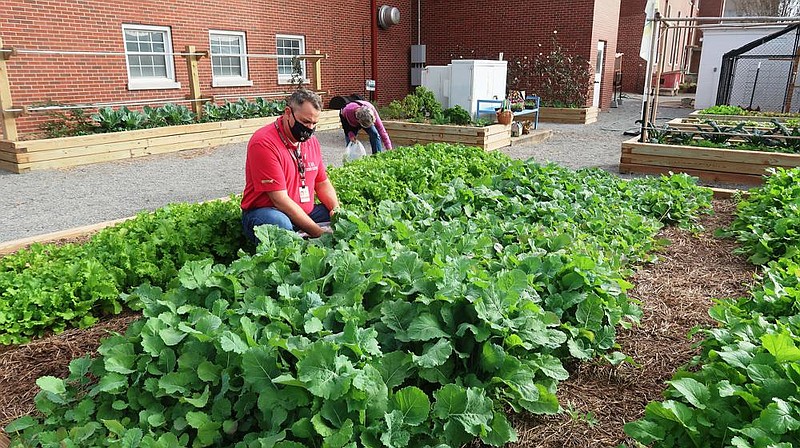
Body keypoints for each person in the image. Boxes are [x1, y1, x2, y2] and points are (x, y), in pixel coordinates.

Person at [241, 88, 340, 243]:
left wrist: (336, 210)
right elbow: (279, 200)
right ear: (288, 113)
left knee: (341, 218)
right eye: (305, 122)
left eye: (314, 124)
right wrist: (319, 234)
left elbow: (322, 183)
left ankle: (301, 234)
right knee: (279, 224)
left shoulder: (311, 142)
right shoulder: (264, 143)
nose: (309, 129)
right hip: (268, 212)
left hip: (304, 212)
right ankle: (298, 242)